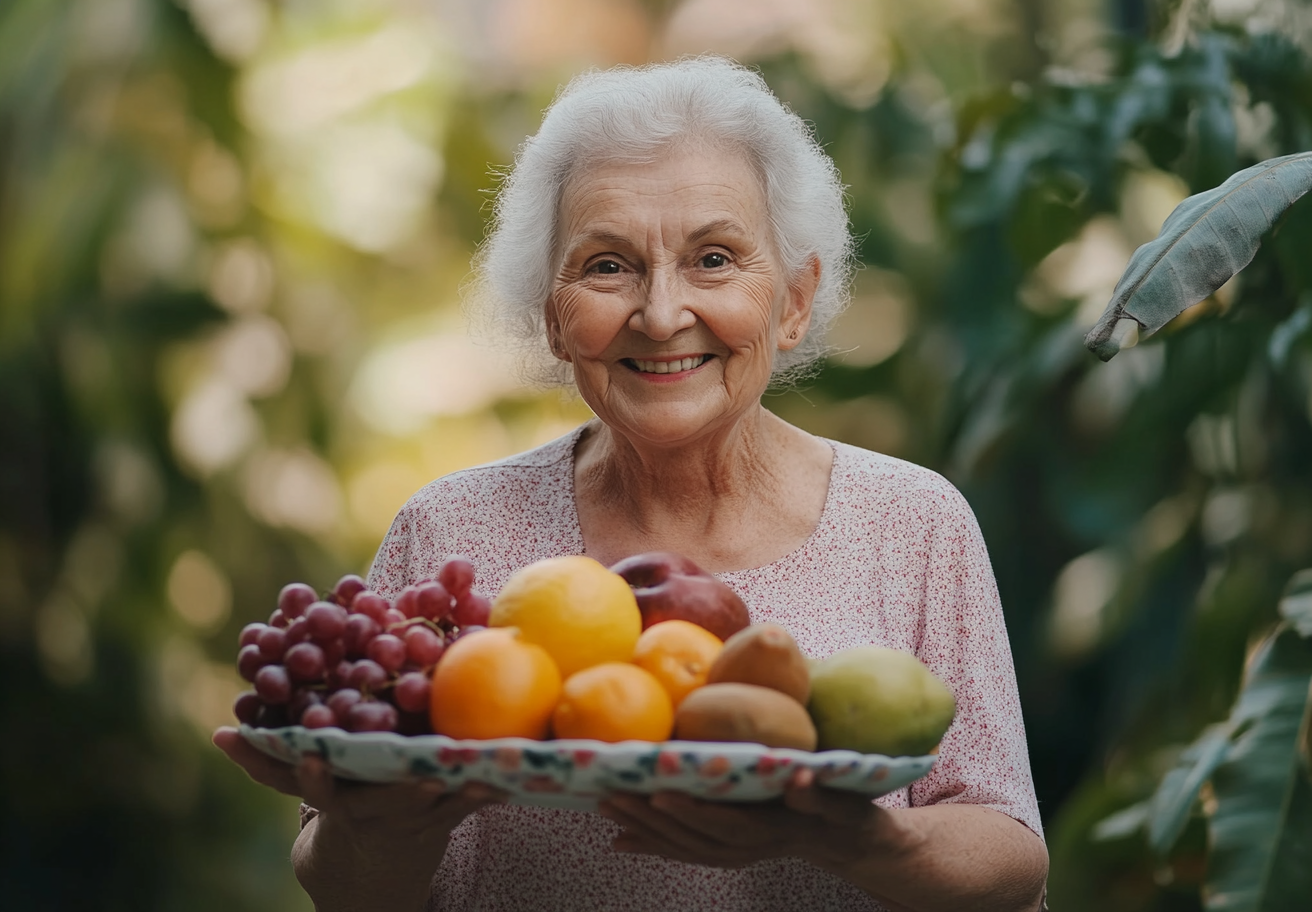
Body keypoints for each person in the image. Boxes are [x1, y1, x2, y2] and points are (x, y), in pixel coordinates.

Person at [214, 56, 1049, 912]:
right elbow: (343, 887)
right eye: (607, 266)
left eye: (714, 259)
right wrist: (385, 829)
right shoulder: (452, 530)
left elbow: (1010, 854)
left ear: (793, 302)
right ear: (552, 314)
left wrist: (858, 841)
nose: (659, 315)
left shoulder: (911, 523)